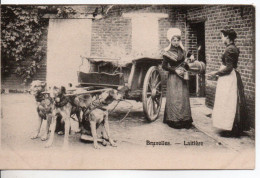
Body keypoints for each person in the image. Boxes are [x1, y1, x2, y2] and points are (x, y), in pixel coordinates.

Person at [207, 29, 249, 137]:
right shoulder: (231, 48)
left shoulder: (230, 49)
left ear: (227, 37)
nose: (221, 38)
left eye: (222, 36)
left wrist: (215, 73)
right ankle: (229, 126)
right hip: (227, 77)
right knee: (227, 101)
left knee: (228, 102)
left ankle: (231, 127)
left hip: (228, 78)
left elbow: (229, 68)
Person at [162, 28, 193, 129]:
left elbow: (189, 58)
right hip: (174, 78)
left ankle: (185, 119)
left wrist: (191, 58)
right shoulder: (167, 52)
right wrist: (174, 70)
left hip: (182, 77)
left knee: (183, 98)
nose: (176, 42)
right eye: (173, 40)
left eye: (177, 40)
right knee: (175, 98)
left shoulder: (183, 51)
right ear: (170, 41)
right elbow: (164, 66)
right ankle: (174, 119)